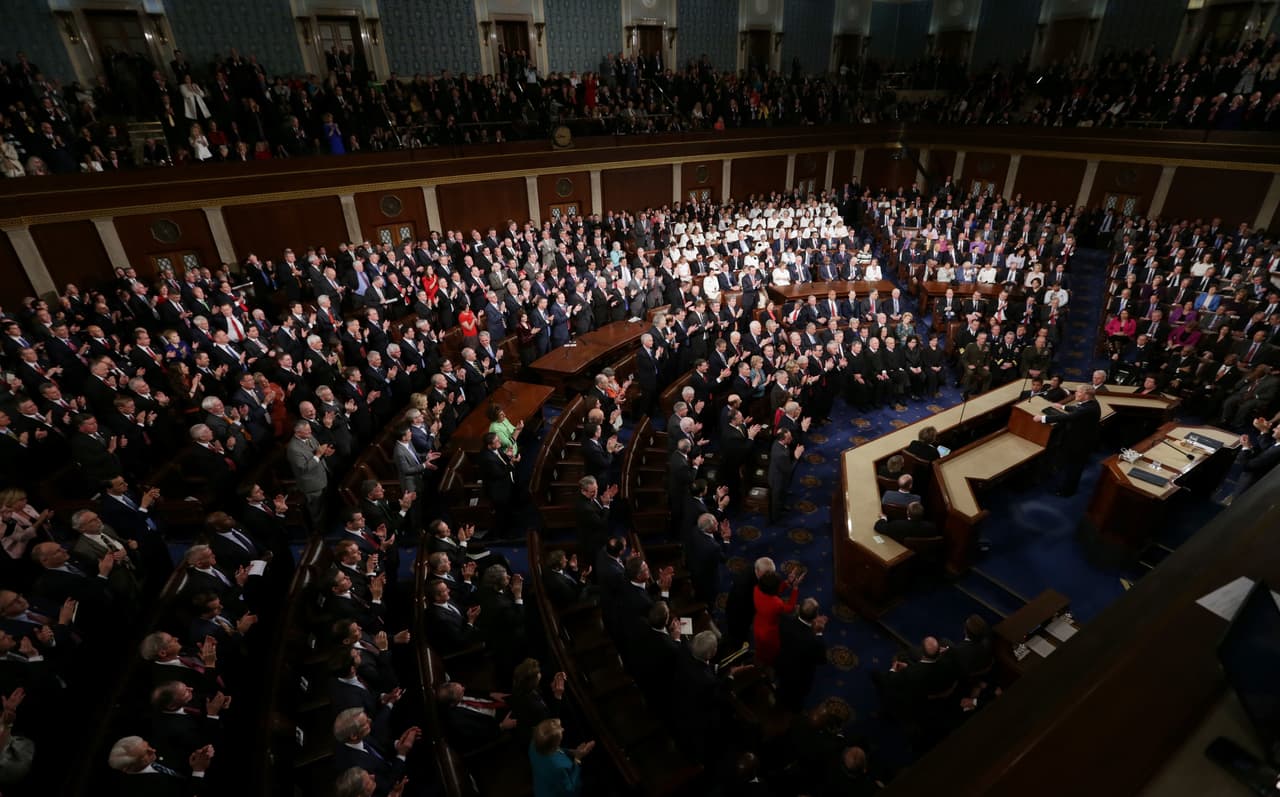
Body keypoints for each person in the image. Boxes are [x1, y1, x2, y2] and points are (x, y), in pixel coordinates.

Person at [1035, 384, 1102, 496]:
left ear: (1086, 395)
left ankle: (1067, 491)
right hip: (1079, 441)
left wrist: (1043, 418)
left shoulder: (1088, 409)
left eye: (1078, 392)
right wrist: (1063, 407)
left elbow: (1068, 417)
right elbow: (1078, 409)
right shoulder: (1091, 403)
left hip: (1080, 444)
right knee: (1071, 466)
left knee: (1074, 469)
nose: (1075, 393)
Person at [776, 597, 828, 711]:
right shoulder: (816, 642)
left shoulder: (785, 619)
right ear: (815, 617)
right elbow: (822, 660)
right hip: (800, 678)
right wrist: (818, 633)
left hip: (782, 665)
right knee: (796, 700)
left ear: (798, 609)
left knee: (782, 688)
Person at [529, 718, 594, 797]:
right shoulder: (559, 767)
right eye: (560, 729)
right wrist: (577, 759)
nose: (563, 729)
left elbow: (554, 749)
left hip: (540, 787)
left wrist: (573, 752)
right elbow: (571, 790)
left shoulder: (534, 743)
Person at [753, 569, 803, 667]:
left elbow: (770, 591)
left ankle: (759, 660)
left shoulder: (756, 589)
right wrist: (795, 588)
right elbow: (790, 608)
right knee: (770, 652)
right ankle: (766, 666)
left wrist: (787, 582)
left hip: (758, 624)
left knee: (760, 648)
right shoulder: (776, 603)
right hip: (769, 633)